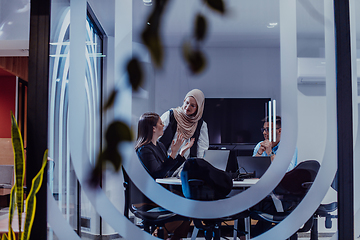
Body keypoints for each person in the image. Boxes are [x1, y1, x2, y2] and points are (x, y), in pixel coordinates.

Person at [135, 112, 194, 240]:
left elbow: (167, 171)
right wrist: (172, 154)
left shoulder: (160, 146)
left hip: (160, 192)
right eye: (160, 123)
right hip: (148, 197)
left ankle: (171, 236)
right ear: (153, 128)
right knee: (185, 202)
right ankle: (159, 234)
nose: (163, 125)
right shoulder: (144, 149)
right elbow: (158, 174)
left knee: (189, 200)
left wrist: (180, 154)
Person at [159, 89, 209, 176]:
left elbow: (201, 150)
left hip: (185, 168)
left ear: (198, 108)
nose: (188, 107)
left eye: (192, 105)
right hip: (165, 163)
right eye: (187, 103)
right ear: (184, 101)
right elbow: (156, 137)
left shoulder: (201, 125)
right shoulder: (170, 115)